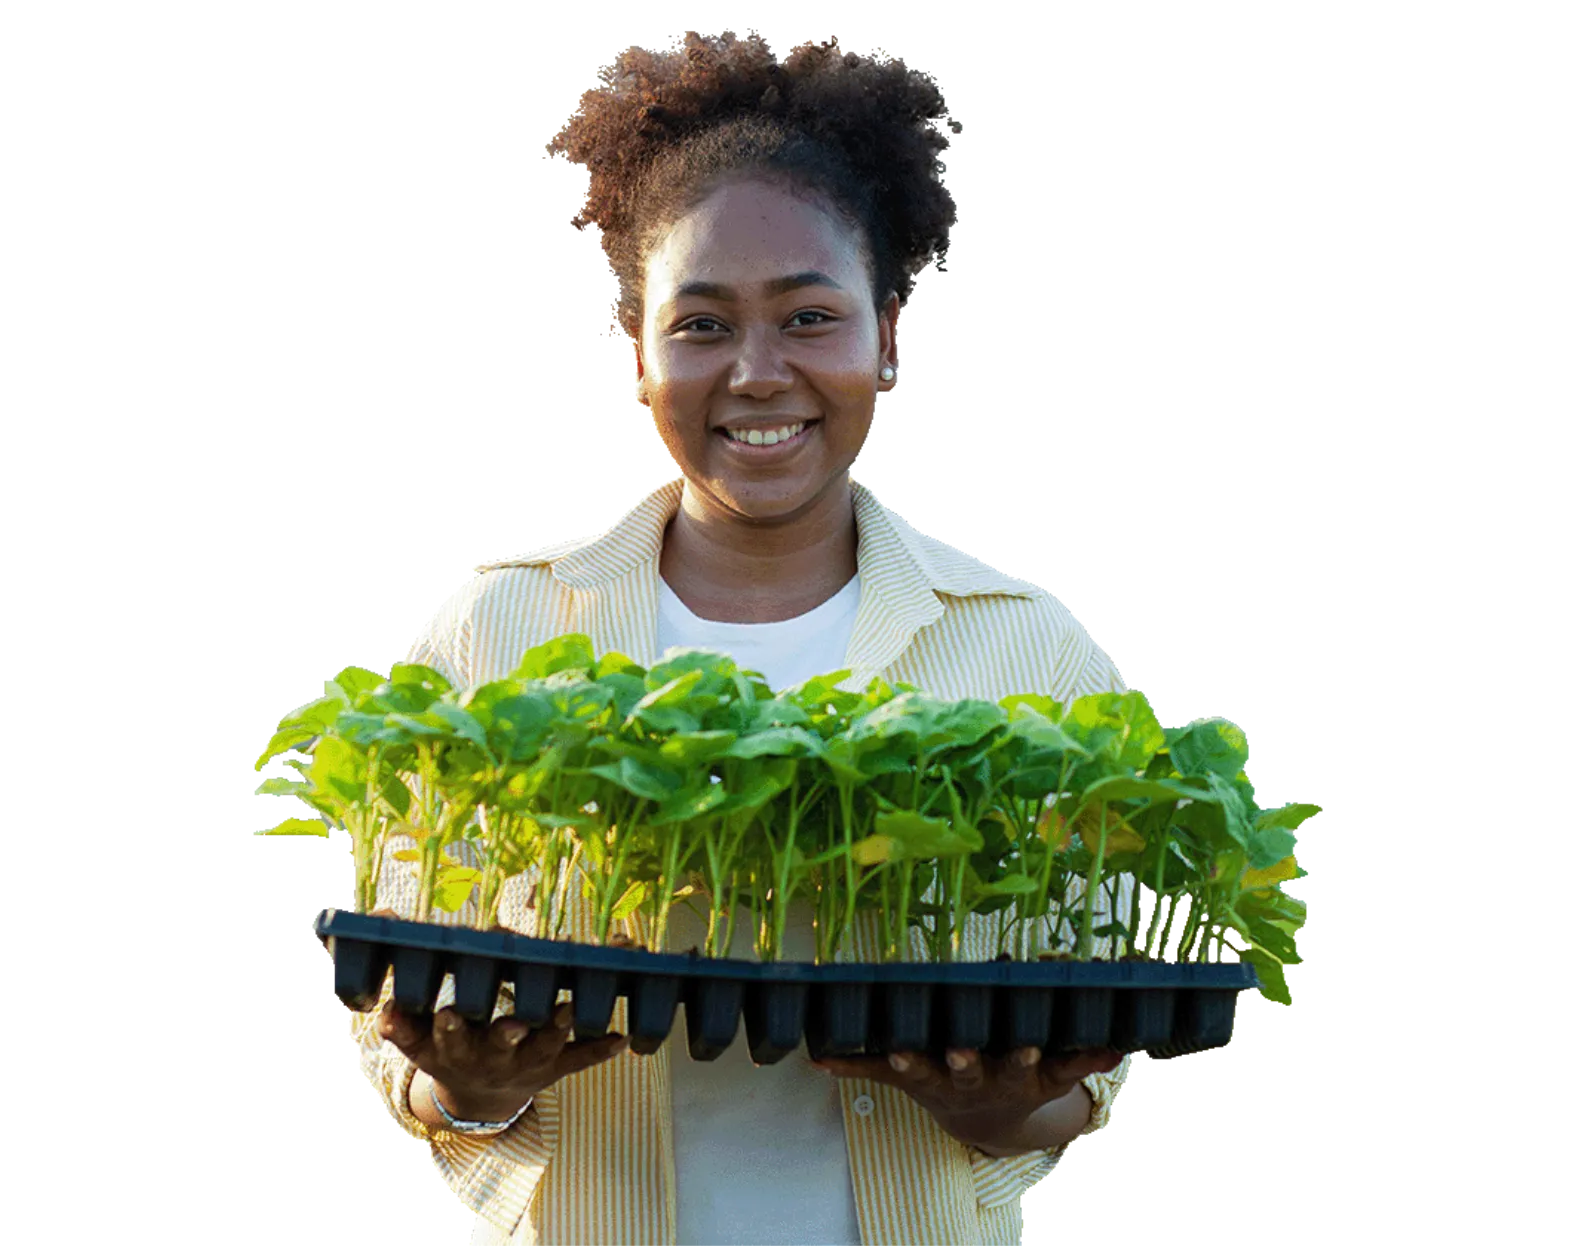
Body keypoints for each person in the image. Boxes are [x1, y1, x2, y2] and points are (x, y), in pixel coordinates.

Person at [350, 28, 1135, 1246]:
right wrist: (466, 1086)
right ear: (636, 351)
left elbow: (1094, 1069)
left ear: (888, 336)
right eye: (702, 326)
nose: (758, 374)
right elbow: (391, 1028)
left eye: (809, 318)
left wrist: (1010, 1111)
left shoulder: (1027, 653)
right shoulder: (497, 631)